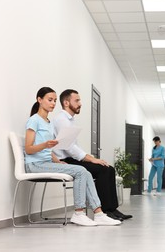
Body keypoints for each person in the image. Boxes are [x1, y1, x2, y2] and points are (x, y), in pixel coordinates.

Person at [24, 87, 121, 226]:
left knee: (85, 172)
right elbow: (28, 149)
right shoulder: (34, 120)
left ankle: (99, 213)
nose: (53, 103)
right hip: (35, 165)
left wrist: (58, 161)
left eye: (55, 101)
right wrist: (45, 145)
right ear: (39, 100)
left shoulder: (48, 122)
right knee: (81, 171)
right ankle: (79, 213)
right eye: (50, 100)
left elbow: (49, 151)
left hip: (47, 162)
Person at [52, 89, 132, 221]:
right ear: (66, 103)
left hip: (71, 158)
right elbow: (69, 147)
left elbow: (73, 146)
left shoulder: (69, 120)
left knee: (109, 169)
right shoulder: (61, 120)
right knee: (102, 170)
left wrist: (90, 158)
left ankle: (112, 209)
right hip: (64, 160)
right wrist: (91, 159)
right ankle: (104, 211)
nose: (80, 103)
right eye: (76, 100)